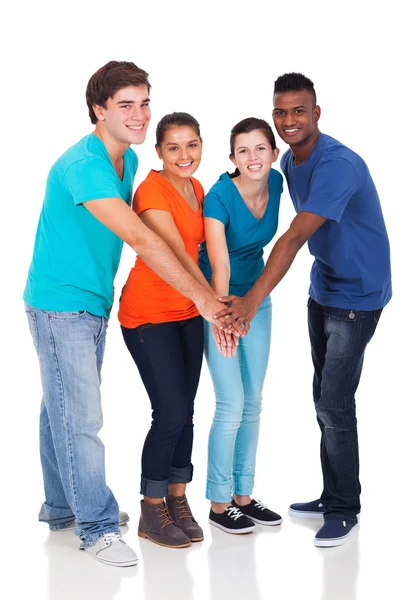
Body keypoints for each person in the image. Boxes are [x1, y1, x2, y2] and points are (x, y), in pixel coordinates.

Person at [23, 62, 228, 567]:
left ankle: (60, 508)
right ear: (99, 110)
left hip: (93, 301)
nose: (139, 116)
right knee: (81, 416)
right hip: (59, 304)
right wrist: (204, 299)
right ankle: (94, 526)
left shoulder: (128, 162)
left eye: (143, 103)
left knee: (61, 409)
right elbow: (141, 238)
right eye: (125, 105)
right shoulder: (84, 166)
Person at [214, 73, 392, 547]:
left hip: (359, 295)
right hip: (325, 288)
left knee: (335, 403)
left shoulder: (339, 165)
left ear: (316, 113)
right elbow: (241, 185)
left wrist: (249, 301)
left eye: (299, 111)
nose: (289, 120)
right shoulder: (288, 161)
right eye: (281, 112)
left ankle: (344, 508)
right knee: (323, 399)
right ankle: (332, 492)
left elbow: (293, 237)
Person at [119, 112, 220, 548]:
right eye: (173, 147)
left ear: (201, 146)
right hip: (148, 315)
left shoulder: (197, 189)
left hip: (188, 312)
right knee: (171, 412)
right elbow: (178, 253)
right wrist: (214, 306)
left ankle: (178, 499)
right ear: (158, 151)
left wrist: (208, 304)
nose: (184, 155)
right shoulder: (150, 190)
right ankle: (151, 507)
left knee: (188, 411)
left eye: (192, 145)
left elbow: (204, 251)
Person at [198, 118, 283, 534]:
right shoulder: (218, 197)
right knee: (230, 402)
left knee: (253, 401)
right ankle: (218, 503)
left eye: (260, 149)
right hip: (218, 299)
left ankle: (243, 497)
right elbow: (220, 262)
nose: (253, 158)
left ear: (273, 153)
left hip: (257, 299)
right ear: (232, 158)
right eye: (243, 151)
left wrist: (249, 306)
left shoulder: (278, 184)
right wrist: (223, 318)